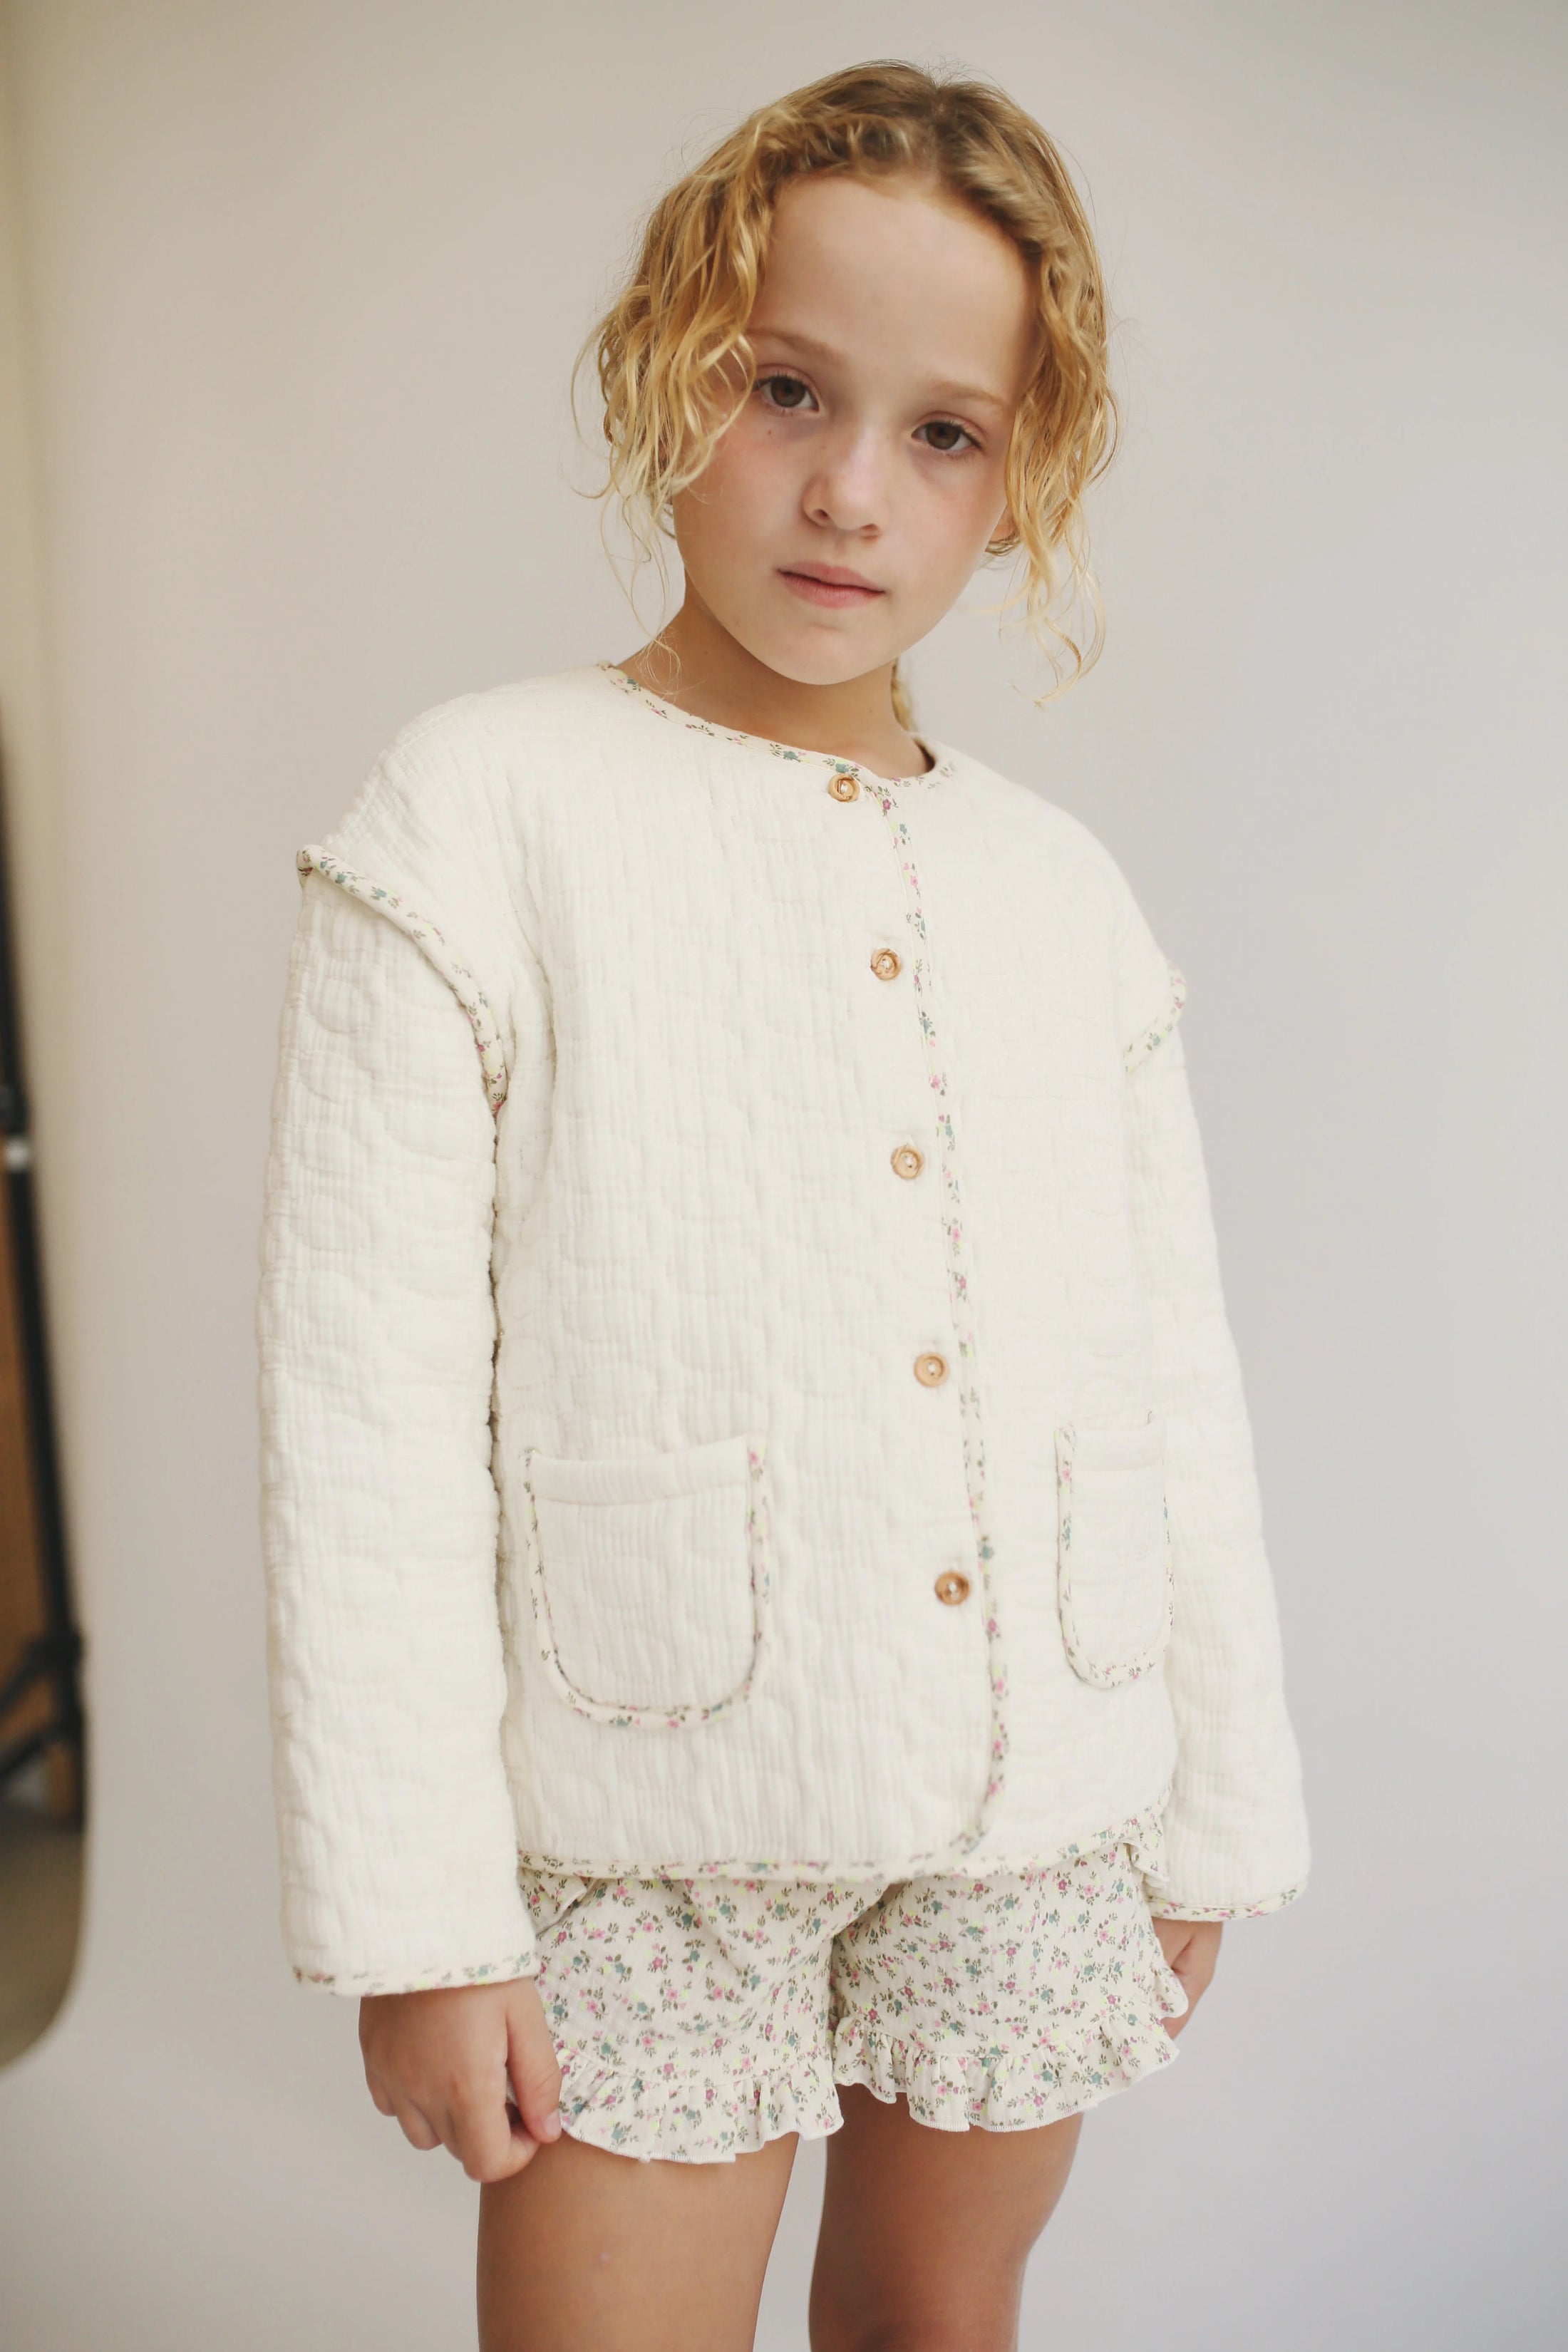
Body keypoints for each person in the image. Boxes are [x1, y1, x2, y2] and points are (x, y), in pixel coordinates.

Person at [257, 58, 1309, 2352]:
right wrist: (422, 1918)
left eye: (944, 431)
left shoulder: (1063, 891)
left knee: (942, 2319)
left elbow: (1173, 1372)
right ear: (669, 366)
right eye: (784, 388)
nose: (850, 490)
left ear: (1023, 471)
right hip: (638, 1823)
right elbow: (364, 1410)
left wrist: (1214, 1810)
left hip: (1034, 1793)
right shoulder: (478, 810)